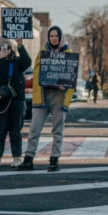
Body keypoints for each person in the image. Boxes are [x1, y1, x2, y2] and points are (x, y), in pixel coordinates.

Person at [18, 26, 75, 172]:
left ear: (60, 37)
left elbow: (71, 77)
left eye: (56, 36)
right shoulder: (43, 53)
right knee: (34, 128)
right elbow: (37, 71)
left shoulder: (68, 54)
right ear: (48, 38)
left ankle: (54, 160)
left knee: (57, 129)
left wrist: (65, 84)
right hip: (42, 95)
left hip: (59, 96)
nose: (54, 38)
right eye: (51, 36)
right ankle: (28, 159)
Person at [0, 37, 32, 168]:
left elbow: (27, 63)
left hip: (16, 98)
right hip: (1, 99)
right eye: (1, 46)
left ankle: (17, 157)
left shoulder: (17, 60)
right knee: (0, 129)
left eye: (6, 46)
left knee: (16, 129)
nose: (4, 48)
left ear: (11, 47)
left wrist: (20, 46)